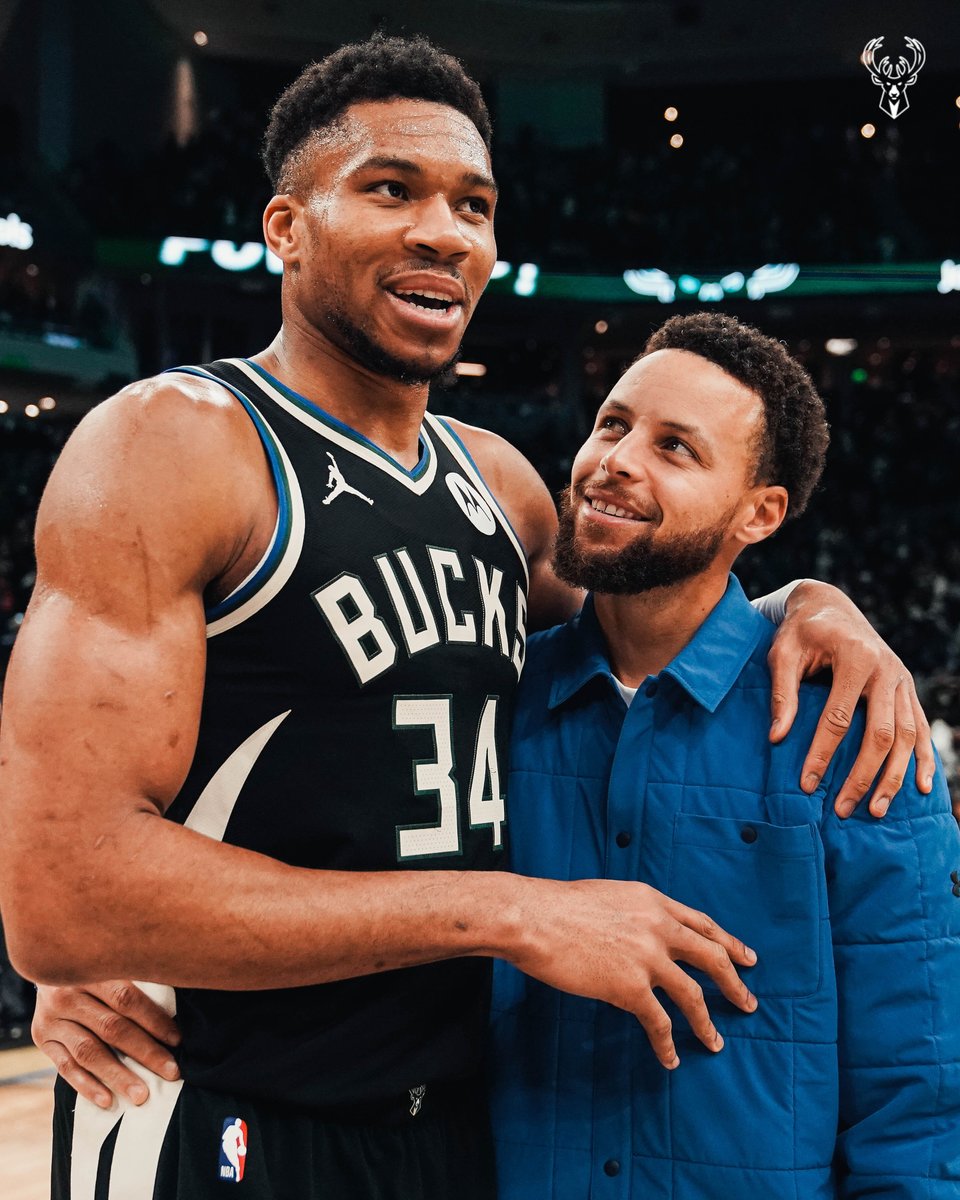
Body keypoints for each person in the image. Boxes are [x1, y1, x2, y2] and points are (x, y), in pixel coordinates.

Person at [0, 34, 932, 1200]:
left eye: (474, 205)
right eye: (390, 188)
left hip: (461, 1130)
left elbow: (663, 624)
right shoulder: (173, 444)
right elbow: (65, 892)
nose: (444, 230)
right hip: (224, 1120)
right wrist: (509, 914)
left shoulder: (502, 488)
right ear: (285, 227)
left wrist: (811, 596)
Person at [489, 312, 960, 1197]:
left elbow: (920, 1099)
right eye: (613, 424)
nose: (618, 459)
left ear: (761, 512)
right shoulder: (491, 700)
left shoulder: (856, 734)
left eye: (676, 448)